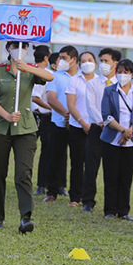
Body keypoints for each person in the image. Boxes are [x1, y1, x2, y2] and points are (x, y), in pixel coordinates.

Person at [0, 41, 54, 232]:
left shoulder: (30, 70)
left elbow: (49, 76)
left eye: (24, 47)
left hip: (25, 129)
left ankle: (26, 217)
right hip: (0, 128)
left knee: (23, 173)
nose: (20, 49)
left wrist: (27, 68)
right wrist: (6, 115)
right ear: (8, 48)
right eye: (15, 46)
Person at [81, 47, 121, 213]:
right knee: (91, 166)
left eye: (107, 61)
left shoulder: (122, 84)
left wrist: (115, 125)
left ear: (115, 64)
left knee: (112, 169)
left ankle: (112, 206)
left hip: (116, 131)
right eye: (102, 61)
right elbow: (91, 106)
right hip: (98, 129)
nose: (103, 64)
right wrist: (104, 121)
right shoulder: (93, 83)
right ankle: (88, 201)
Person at [99, 58, 133, 220]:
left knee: (126, 177)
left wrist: (130, 132)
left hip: (131, 142)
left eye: (126, 72)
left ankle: (124, 211)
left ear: (132, 74)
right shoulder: (110, 91)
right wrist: (122, 130)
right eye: (119, 72)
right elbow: (106, 116)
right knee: (111, 175)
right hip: (111, 139)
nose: (122, 75)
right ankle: (110, 210)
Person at [44, 45, 81, 202]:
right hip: (58, 122)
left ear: (74, 60)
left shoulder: (83, 77)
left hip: (78, 125)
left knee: (77, 160)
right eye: (60, 58)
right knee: (55, 157)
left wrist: (75, 117)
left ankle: (76, 195)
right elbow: (51, 98)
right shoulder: (55, 76)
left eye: (64, 58)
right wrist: (66, 114)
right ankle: (52, 191)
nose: (61, 61)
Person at [65, 51, 99, 206]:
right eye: (83, 61)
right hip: (77, 126)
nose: (87, 63)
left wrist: (94, 123)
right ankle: (75, 197)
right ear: (79, 64)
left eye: (90, 60)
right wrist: (83, 123)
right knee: (77, 163)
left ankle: (88, 198)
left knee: (92, 164)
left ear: (96, 63)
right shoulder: (74, 81)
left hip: (96, 127)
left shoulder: (101, 81)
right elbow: (71, 105)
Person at [32, 47, 54, 196]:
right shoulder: (45, 74)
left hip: (35, 115)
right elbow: (35, 98)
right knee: (42, 152)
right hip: (40, 116)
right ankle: (40, 185)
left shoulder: (26, 69)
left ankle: (41, 184)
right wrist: (51, 108)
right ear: (47, 58)